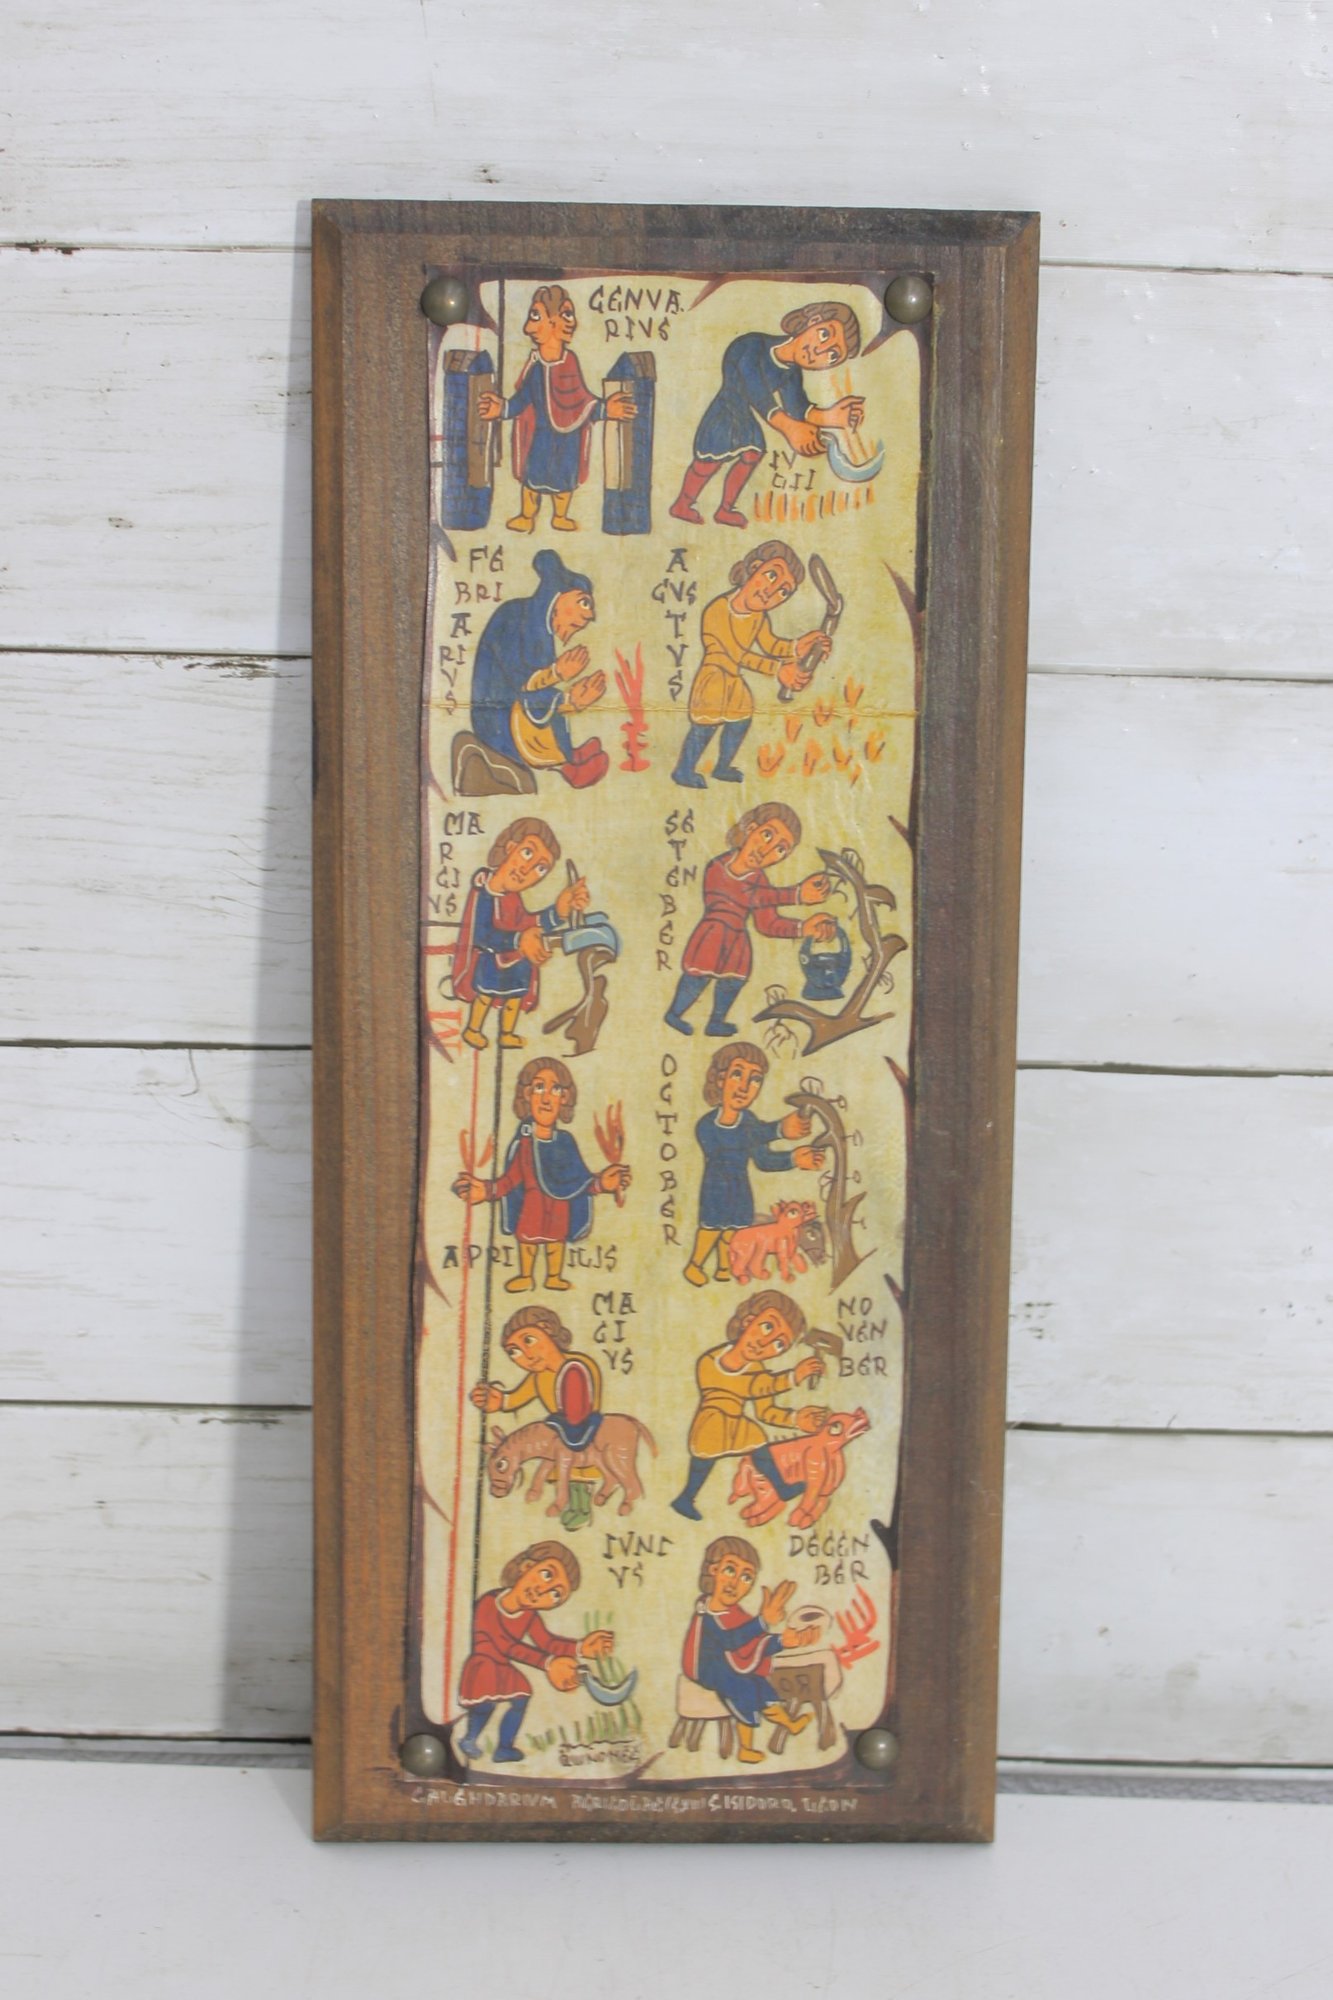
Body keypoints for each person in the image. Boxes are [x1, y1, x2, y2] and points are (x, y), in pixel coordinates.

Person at [670, 300, 864, 529]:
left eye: (832, 355)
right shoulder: (752, 346)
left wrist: (831, 417)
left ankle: (725, 510)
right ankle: (682, 505)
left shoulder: (791, 372)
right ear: (813, 321)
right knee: (707, 463)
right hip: (724, 412)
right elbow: (755, 390)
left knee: (752, 455)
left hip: (744, 416)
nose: (819, 351)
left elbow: (797, 406)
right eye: (824, 334)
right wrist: (788, 427)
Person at [453, 1058, 632, 1292]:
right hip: (532, 1205)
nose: (546, 1098)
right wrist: (487, 1191)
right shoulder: (525, 1143)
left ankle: (553, 1276)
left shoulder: (566, 1142)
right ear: (527, 1094)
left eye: (555, 1089)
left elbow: (579, 1180)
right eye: (539, 1087)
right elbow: (511, 1179)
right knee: (528, 1240)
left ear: (564, 1098)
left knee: (556, 1241)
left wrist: (601, 1184)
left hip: (559, 1209)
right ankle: (526, 1275)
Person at [665, 801, 835, 1038]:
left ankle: (716, 1021)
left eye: (780, 849)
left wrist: (803, 928)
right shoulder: (719, 866)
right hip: (712, 934)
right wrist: (796, 894)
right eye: (767, 835)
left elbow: (768, 924)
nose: (767, 850)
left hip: (737, 940)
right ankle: (674, 1014)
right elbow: (746, 896)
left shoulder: (760, 880)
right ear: (751, 828)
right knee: (698, 976)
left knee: (732, 982)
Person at [478, 285, 636, 534]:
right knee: (532, 480)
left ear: (554, 322)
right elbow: (523, 399)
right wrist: (503, 408)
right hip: (540, 435)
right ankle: (527, 516)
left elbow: (581, 400)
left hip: (568, 439)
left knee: (564, 481)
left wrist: (606, 410)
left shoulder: (569, 362)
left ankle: (560, 516)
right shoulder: (535, 366)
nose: (528, 328)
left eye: (536, 316)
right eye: (533, 316)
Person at [672, 541, 830, 788]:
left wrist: (800, 646)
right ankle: (683, 770)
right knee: (704, 727)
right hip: (713, 680)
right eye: (771, 575)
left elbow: (772, 645)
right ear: (754, 567)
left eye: (784, 591)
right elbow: (735, 654)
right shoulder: (718, 609)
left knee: (740, 721)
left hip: (734, 681)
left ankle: (722, 767)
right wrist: (778, 670)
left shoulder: (758, 616)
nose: (772, 591)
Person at [671, 1290, 826, 1520]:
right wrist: (792, 1377)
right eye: (767, 1327)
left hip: (736, 1423)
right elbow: (752, 1386)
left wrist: (796, 1419)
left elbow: (766, 1412)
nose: (765, 1343)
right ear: (748, 1321)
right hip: (712, 1422)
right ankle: (685, 1498)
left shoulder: (757, 1370)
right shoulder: (710, 1361)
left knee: (759, 1441)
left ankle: (781, 1488)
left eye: (779, 1344)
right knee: (704, 1458)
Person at [456, 1541, 613, 1763]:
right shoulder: (489, 1603)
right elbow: (506, 1645)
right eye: (547, 1575)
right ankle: (469, 1739)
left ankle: (504, 1748)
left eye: (556, 1594)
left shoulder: (529, 1615)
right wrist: (548, 1664)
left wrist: (581, 1647)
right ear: (526, 1566)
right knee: (485, 1705)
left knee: (522, 1696)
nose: (544, 1591)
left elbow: (547, 1641)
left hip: (502, 1666)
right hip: (483, 1664)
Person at [465, 549, 609, 791]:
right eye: (584, 603)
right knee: (552, 697)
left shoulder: (541, 627)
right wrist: (561, 683)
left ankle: (568, 753)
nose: (591, 615)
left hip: (516, 702)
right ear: (559, 597)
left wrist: (562, 686)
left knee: (553, 695)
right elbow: (515, 679)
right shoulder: (515, 617)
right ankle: (566, 766)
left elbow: (535, 685)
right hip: (496, 718)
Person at [685, 1042, 825, 1285]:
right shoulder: (707, 1124)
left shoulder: (750, 1122)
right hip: (716, 1188)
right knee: (711, 1229)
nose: (744, 1087)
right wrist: (778, 1129)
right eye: (737, 1074)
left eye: (755, 1079)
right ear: (720, 1079)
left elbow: (764, 1160)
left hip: (740, 1188)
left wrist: (794, 1158)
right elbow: (729, 1143)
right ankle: (694, 1265)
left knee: (734, 1231)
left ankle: (724, 1267)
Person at [452, 818, 590, 1050]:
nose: (528, 870)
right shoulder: (485, 893)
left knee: (514, 997)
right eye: (527, 853)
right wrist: (519, 940)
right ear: (510, 848)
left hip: (516, 962)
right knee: (485, 996)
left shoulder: (512, 897)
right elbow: (482, 935)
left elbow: (528, 922)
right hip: (492, 961)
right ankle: (473, 1029)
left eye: (540, 868)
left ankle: (506, 1033)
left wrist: (559, 911)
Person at [680, 1536, 819, 1763]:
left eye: (746, 1577)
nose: (736, 1582)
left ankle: (790, 1723)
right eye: (730, 1570)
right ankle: (745, 1748)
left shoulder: (735, 1613)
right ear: (713, 1570)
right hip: (709, 1669)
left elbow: (752, 1644)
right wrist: (762, 1621)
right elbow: (731, 1641)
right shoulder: (708, 1613)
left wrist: (783, 1641)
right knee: (743, 1688)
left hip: (726, 1664)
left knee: (761, 1685)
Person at [471, 1305, 602, 1454]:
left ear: (547, 1328)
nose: (528, 1356)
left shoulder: (578, 1366)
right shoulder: (538, 1378)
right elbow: (513, 1399)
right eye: (514, 1352)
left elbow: (580, 1413)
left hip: (587, 1433)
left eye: (528, 1340)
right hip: (564, 1435)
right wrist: (497, 1400)